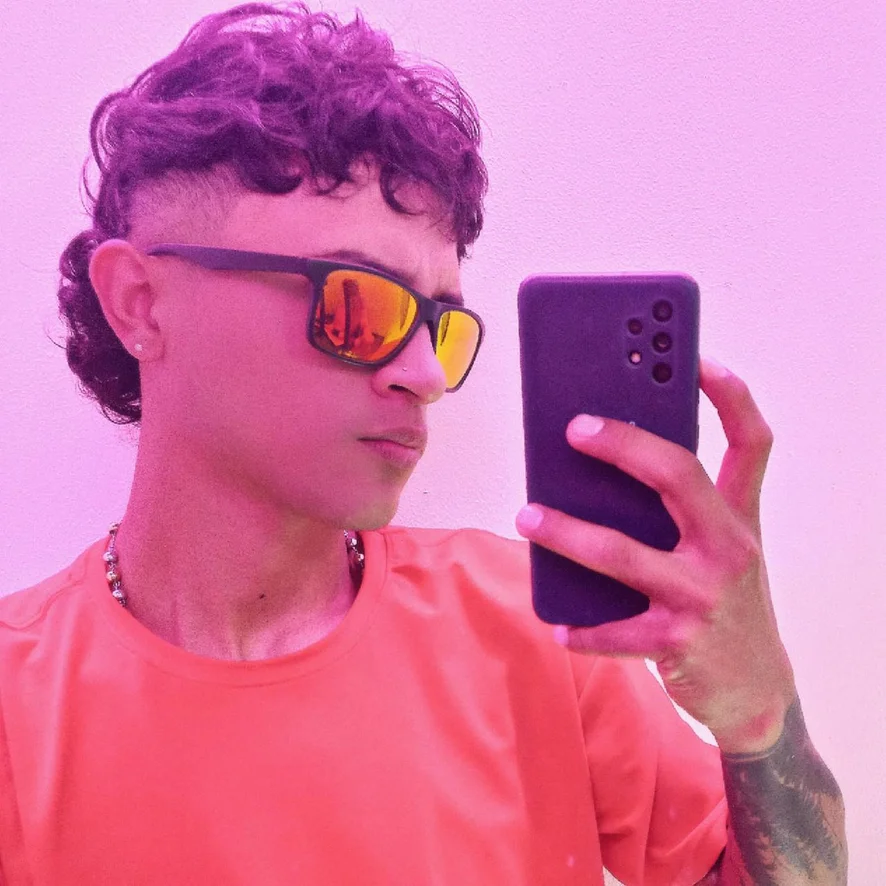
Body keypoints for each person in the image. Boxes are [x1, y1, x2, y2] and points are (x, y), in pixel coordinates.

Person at [0, 4, 846, 884]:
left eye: (439, 325)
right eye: (358, 302)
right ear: (141, 303)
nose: (426, 375)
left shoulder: (528, 632)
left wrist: (761, 716)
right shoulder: (18, 710)